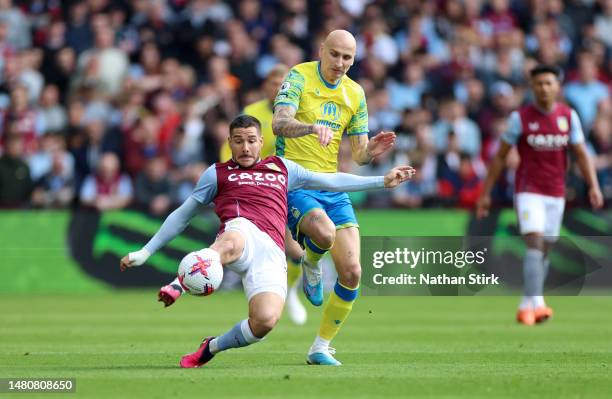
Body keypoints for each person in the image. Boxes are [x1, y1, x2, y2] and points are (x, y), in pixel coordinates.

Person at [120, 115, 414, 368]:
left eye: (251, 140)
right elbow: (182, 215)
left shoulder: (283, 168)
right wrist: (146, 251)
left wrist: (380, 181)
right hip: (241, 231)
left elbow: (331, 181)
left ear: (261, 142)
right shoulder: (217, 174)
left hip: (272, 250)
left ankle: (211, 347)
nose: (245, 147)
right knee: (232, 239)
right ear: (230, 143)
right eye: (238, 141)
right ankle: (178, 284)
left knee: (264, 322)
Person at [271, 29, 396, 365]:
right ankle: (311, 261)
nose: (341, 63)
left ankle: (320, 347)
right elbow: (279, 123)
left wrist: (371, 150)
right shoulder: (299, 75)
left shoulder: (355, 93)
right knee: (323, 233)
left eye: (348, 58)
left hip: (331, 186)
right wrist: (310, 128)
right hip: (295, 182)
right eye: (335, 54)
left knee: (353, 272)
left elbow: (357, 155)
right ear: (321, 49)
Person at [476, 65, 604, 325]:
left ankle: (527, 303)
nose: (544, 88)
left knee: (544, 249)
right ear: (532, 87)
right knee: (534, 242)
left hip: (556, 193)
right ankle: (539, 303)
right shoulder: (520, 118)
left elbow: (581, 154)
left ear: (557, 87)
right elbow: (500, 157)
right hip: (528, 191)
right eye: (539, 83)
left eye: (548, 83)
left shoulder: (568, 117)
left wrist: (593, 185)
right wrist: (486, 193)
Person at [218, 64, 308, 325]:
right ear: (265, 87)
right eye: (273, 83)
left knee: (302, 249)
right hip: (260, 191)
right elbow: (234, 148)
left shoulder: (297, 113)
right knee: (291, 249)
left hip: (291, 184)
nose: (277, 88)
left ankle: (288, 290)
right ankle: (276, 290)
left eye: (282, 84)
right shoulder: (252, 113)